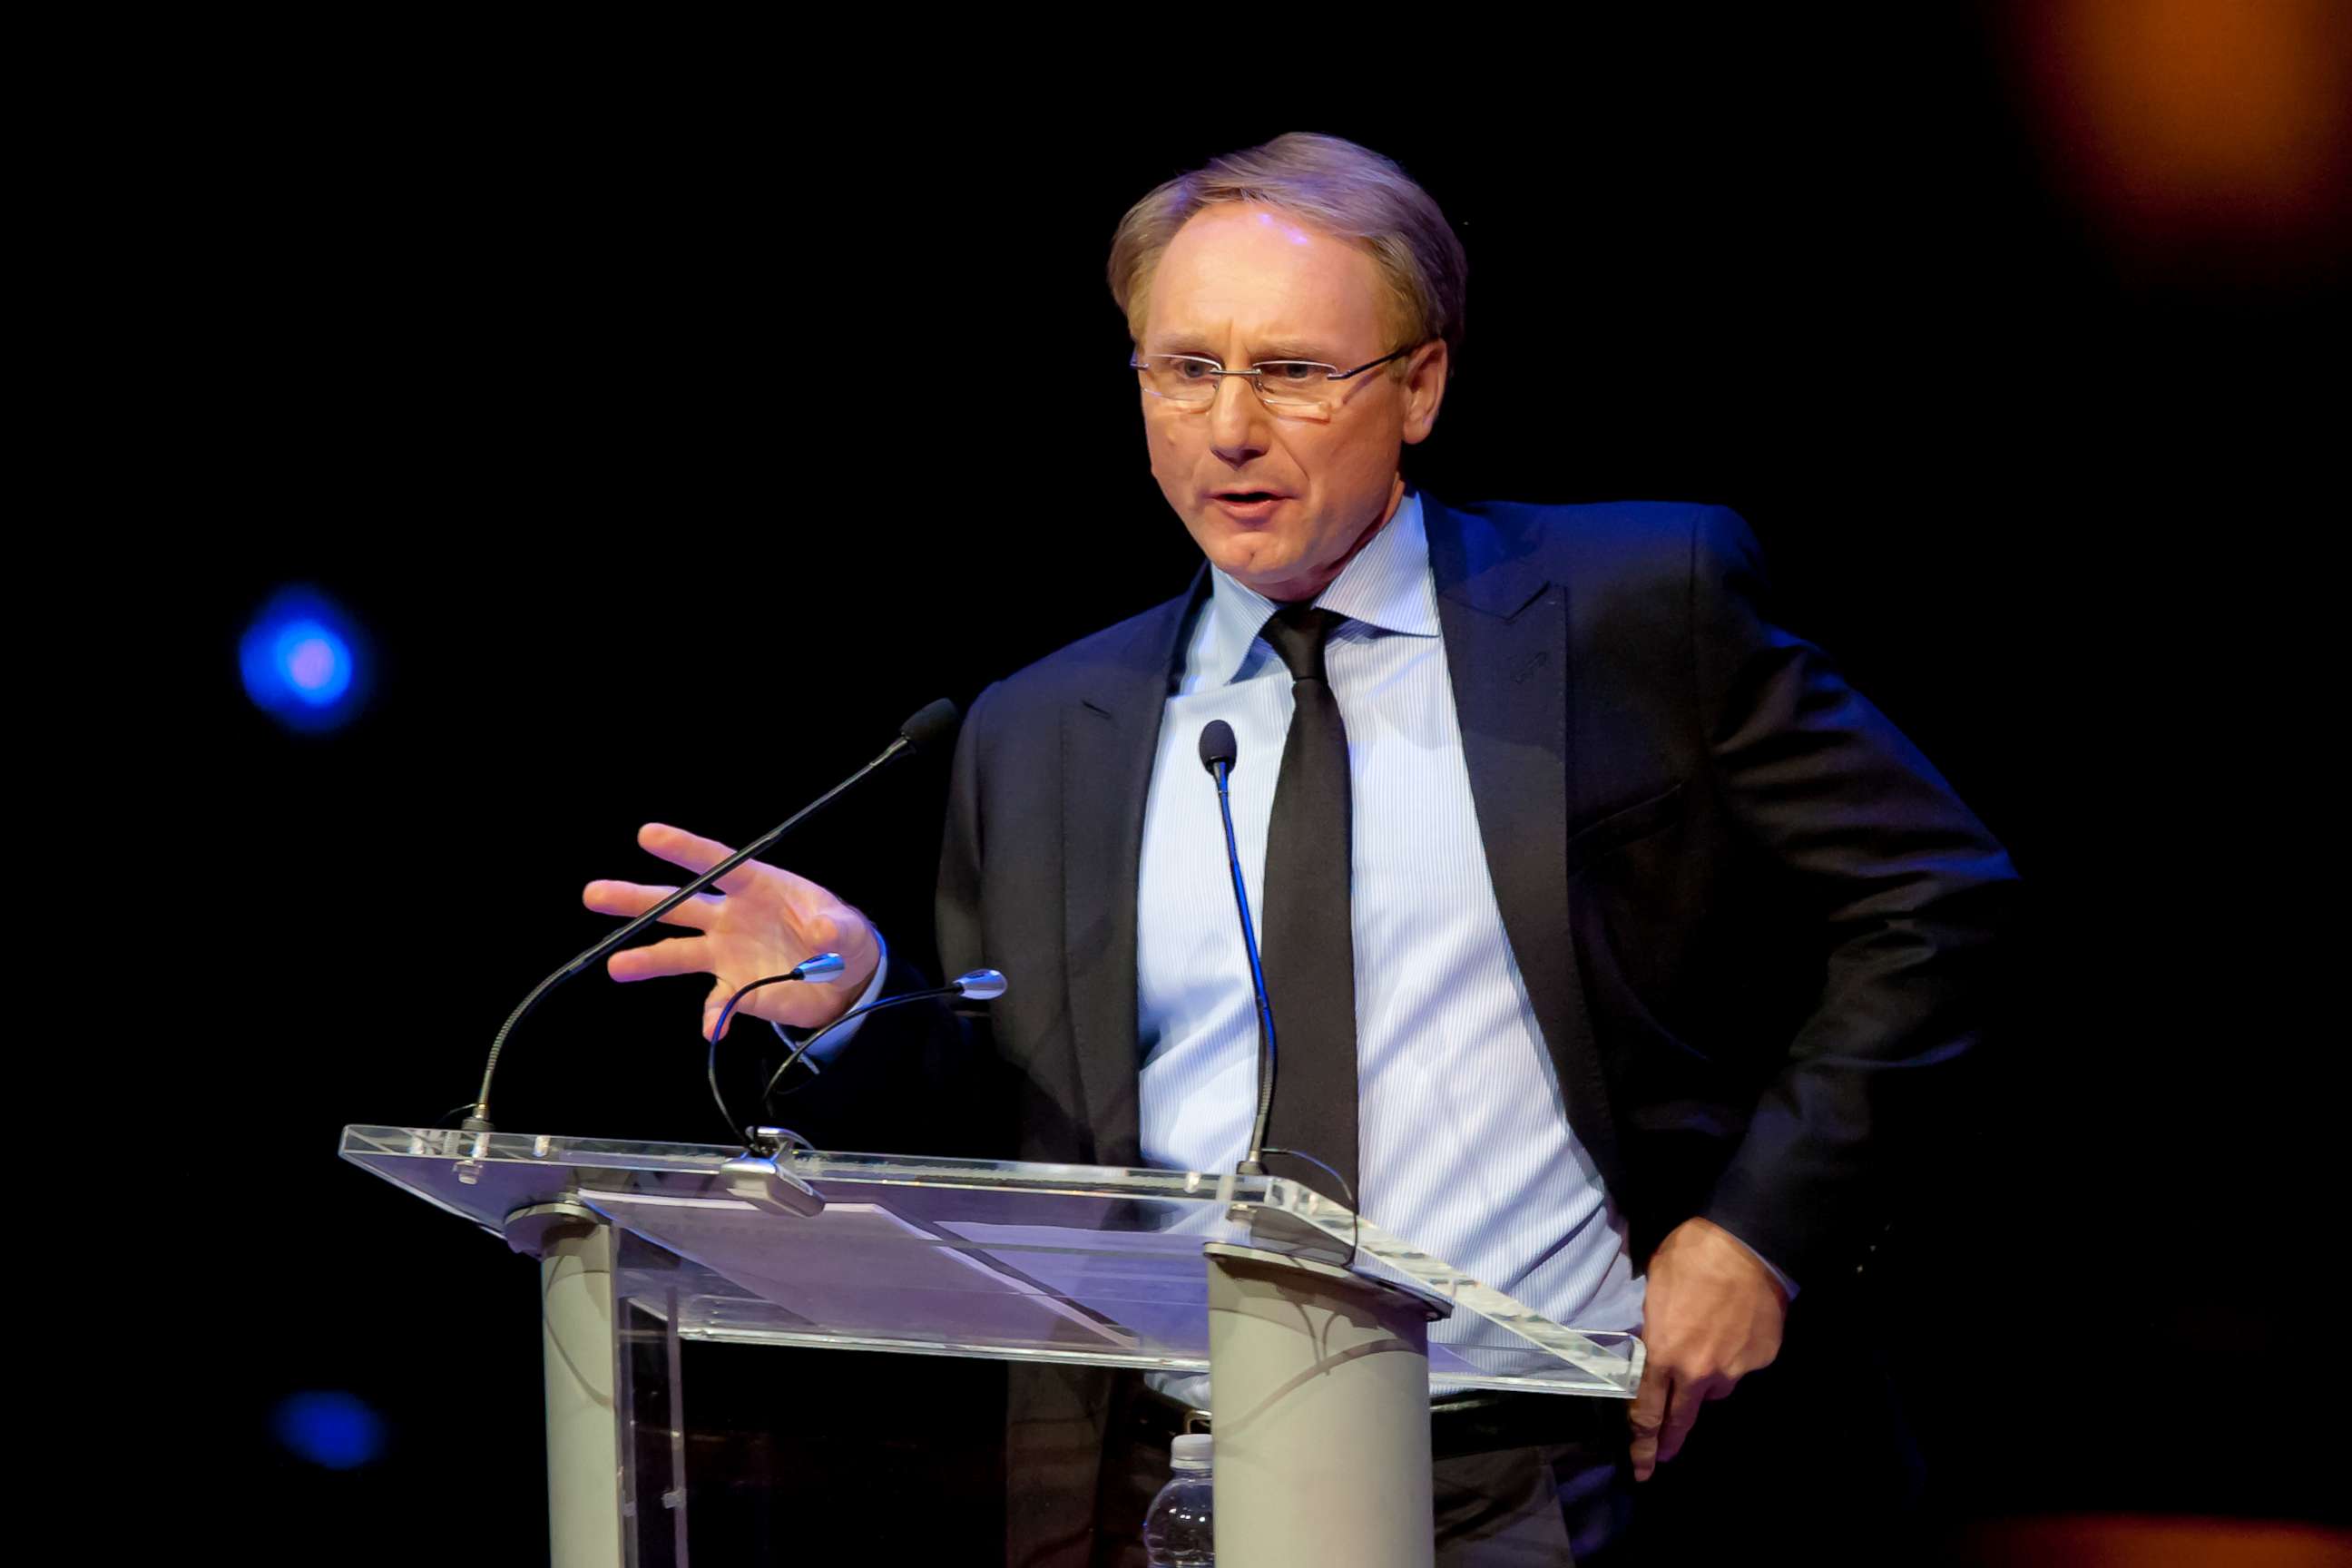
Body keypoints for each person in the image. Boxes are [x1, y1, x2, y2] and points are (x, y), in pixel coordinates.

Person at [582, 133, 2019, 1564]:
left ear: (1421, 386)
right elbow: (1027, 1112)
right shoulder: (1041, 728)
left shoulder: (1634, 608)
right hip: (1175, 1488)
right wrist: (863, 989)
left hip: (1568, 1475)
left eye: (1292, 372)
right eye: (1184, 367)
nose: (1228, 427)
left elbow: (1934, 904)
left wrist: (1755, 1233)